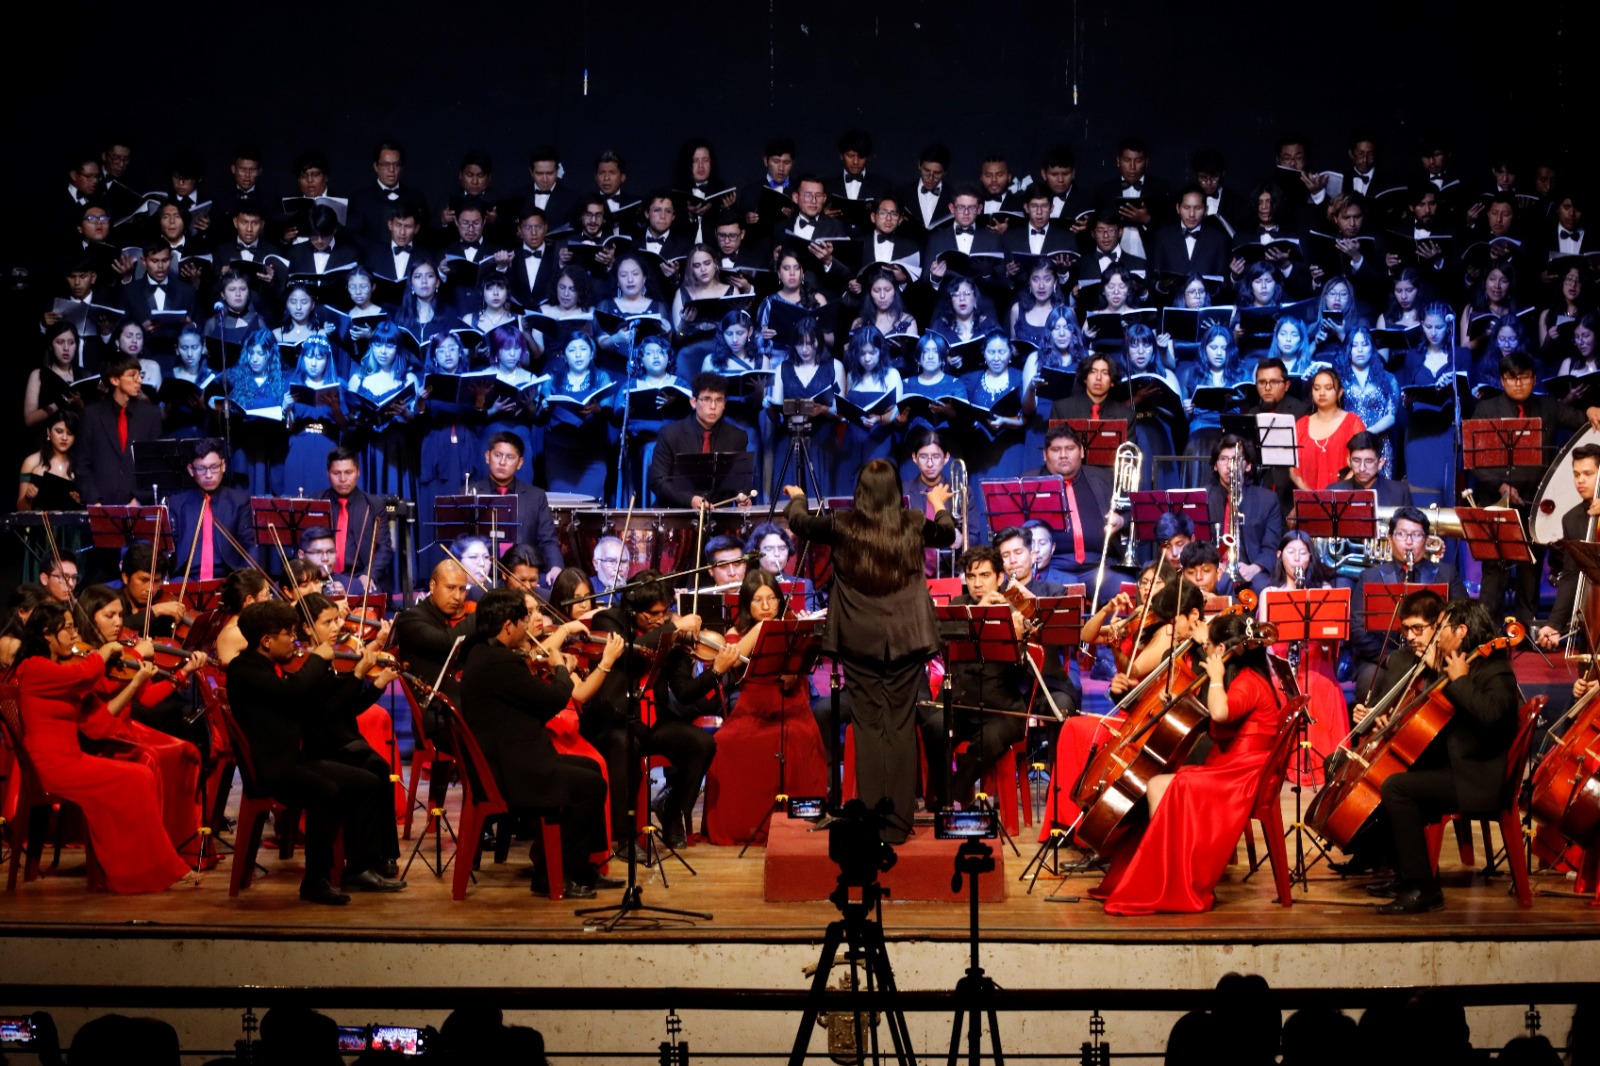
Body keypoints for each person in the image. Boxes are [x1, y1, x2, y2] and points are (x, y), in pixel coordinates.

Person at [783, 459, 955, 842]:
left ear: (860, 491)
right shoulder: (911, 522)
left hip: (858, 639)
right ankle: (897, 824)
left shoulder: (843, 524)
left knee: (868, 726)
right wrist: (938, 503)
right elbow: (946, 534)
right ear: (896, 491)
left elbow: (801, 525)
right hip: (907, 640)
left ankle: (874, 821)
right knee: (898, 725)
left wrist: (797, 500)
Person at [1096, 611, 1291, 915]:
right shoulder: (1246, 677)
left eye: (1210, 647)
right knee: (1162, 782)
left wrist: (1214, 678)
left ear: (1222, 651)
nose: (1207, 652)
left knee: (1162, 785)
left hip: (1240, 777)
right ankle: (1169, 871)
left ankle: (1172, 876)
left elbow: (1220, 714)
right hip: (1233, 768)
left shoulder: (1248, 684)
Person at [226, 600, 405, 905]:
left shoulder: (270, 667)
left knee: (368, 781)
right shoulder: (244, 670)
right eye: (288, 634)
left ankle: (358, 867)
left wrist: (357, 677)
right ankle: (315, 881)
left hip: (293, 760)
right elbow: (293, 692)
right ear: (267, 641)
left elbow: (314, 706)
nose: (294, 641)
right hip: (273, 769)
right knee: (326, 790)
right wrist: (319, 659)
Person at [11, 603, 194, 893]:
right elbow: (82, 676)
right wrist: (105, 652)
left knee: (141, 774)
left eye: (74, 627)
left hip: (70, 759)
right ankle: (141, 871)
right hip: (51, 767)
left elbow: (96, 701)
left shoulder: (55, 669)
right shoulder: (34, 668)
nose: (75, 634)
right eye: (68, 628)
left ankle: (146, 867)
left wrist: (135, 678)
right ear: (47, 635)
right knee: (135, 777)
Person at [459, 588, 620, 898]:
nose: (528, 625)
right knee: (590, 785)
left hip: (510, 758)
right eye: (523, 620)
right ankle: (553, 874)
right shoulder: (499, 663)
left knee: (590, 769)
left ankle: (581, 868)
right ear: (508, 625)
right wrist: (561, 668)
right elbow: (553, 700)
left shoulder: (484, 654)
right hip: (510, 772)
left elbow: (522, 694)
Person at [1369, 599, 1520, 914]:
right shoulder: (1465, 662)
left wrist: (1459, 679)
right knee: (1389, 775)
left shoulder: (1494, 668)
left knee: (1397, 789)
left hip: (1477, 779)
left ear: (1460, 631)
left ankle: (1424, 888)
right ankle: (1406, 875)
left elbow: (1490, 716)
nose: (1437, 636)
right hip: (1459, 767)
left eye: (1441, 629)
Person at [702, 571, 830, 845]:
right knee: (724, 743)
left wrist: (794, 673)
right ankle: (741, 823)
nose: (766, 606)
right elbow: (733, 661)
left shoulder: (792, 624)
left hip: (791, 702)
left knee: (799, 737)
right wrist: (763, 629)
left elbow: (803, 662)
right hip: (752, 708)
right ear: (746, 604)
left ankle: (802, 818)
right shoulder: (737, 632)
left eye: (772, 599)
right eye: (758, 600)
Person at [919, 545, 1031, 812]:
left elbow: (1025, 675)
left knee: (990, 739)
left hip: (1003, 709)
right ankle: (949, 797)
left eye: (984, 576)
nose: (977, 583)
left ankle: (953, 793)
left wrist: (1017, 643)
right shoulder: (958, 607)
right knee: (933, 726)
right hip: (961, 702)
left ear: (1000, 578)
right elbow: (940, 648)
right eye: (971, 577)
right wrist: (978, 614)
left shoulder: (1018, 609)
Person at [1346, 506, 1469, 698]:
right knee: (1369, 682)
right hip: (1382, 657)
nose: (1409, 542)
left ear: (1427, 541)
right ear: (1390, 539)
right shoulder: (1369, 576)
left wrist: (1436, 653)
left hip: (1434, 655)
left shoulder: (1447, 574)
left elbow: (1463, 617)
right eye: (1402, 534)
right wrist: (1389, 659)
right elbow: (1357, 628)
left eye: (1416, 535)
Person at [465, 432, 566, 583]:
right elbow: (459, 543)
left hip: (523, 577)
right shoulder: (468, 493)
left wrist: (556, 567)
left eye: (510, 457)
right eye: (497, 455)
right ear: (487, 456)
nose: (502, 462)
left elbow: (548, 540)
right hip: (480, 576)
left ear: (520, 463)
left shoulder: (536, 496)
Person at [648, 372, 751, 510]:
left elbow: (740, 482)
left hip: (718, 518)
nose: (713, 406)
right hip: (676, 515)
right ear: (693, 402)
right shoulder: (670, 434)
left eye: (719, 400)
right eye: (707, 399)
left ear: (724, 404)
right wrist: (689, 499)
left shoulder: (737, 436)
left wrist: (743, 496)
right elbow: (658, 480)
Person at [1536, 443, 1600, 650]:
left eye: (1588, 474)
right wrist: (1554, 624)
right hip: (1592, 615)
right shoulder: (1571, 519)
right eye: (1576, 474)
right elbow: (1571, 574)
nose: (1580, 480)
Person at [75, 354, 161, 505]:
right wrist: (94, 501)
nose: (139, 380)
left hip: (137, 505)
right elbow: (82, 463)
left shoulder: (150, 414)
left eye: (139, 375)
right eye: (132, 376)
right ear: (115, 380)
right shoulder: (92, 415)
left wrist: (139, 499)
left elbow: (155, 463)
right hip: (101, 504)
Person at [166, 438, 258, 580]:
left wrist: (249, 579)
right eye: (201, 469)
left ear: (223, 466)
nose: (208, 475)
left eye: (214, 467)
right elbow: (168, 549)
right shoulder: (177, 504)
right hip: (187, 578)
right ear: (191, 470)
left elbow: (251, 544)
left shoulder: (239, 502)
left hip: (229, 577)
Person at [1206, 434, 1284, 594]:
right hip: (1214, 568)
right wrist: (1213, 564)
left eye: (1236, 459)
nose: (1229, 466)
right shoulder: (1203, 497)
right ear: (1215, 465)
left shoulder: (1267, 499)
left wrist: (1254, 568)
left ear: (1248, 466)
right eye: (1223, 459)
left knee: (1263, 588)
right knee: (1220, 585)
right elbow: (1198, 542)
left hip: (1253, 568)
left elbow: (1271, 546)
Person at [1289, 368, 1364, 492]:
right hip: (1307, 501)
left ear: (1340, 392)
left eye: (1328, 388)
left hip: (1344, 499)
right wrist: (1312, 497)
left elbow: (1361, 463)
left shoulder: (1353, 422)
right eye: (1317, 388)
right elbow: (1293, 469)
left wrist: (1337, 492)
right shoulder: (1301, 425)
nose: (1322, 393)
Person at [1326, 431, 1414, 508]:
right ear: (1349, 461)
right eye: (1356, 460)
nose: (1362, 468)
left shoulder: (1399, 492)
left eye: (1369, 461)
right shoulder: (1334, 491)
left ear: (1380, 463)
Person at [17, 409, 80, 512]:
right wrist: (28, 498)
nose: (64, 437)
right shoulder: (31, 462)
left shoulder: (81, 464)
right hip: (40, 526)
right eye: (59, 431)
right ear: (48, 432)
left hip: (72, 527)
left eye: (70, 433)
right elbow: (21, 508)